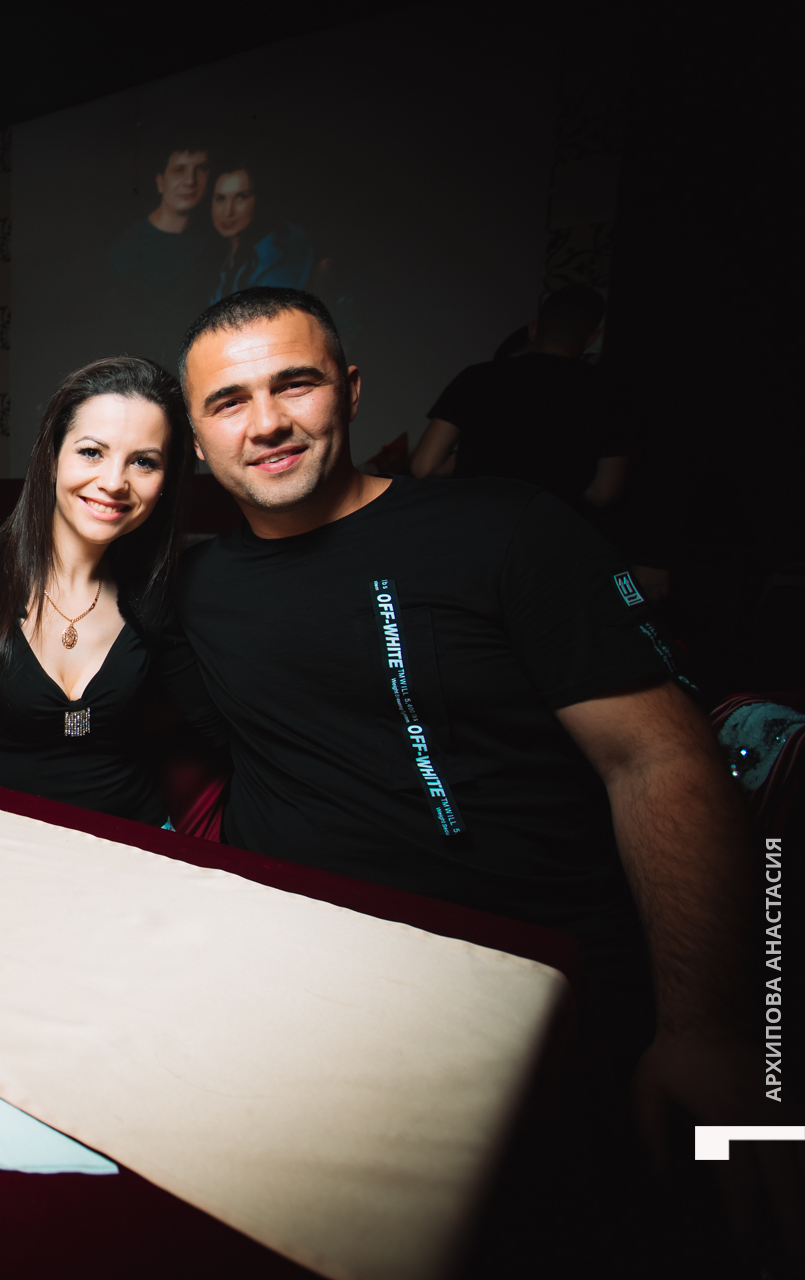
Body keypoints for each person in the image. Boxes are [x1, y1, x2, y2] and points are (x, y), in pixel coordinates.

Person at [162, 286, 794, 1263]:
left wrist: (710, 1028)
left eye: (296, 384)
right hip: (301, 994)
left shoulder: (506, 526)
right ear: (199, 442)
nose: (268, 421)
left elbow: (660, 756)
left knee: (712, 1216)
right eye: (229, 401)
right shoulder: (194, 588)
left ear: (352, 390)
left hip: (549, 994)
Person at [0, 357, 189, 824]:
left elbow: (229, 732)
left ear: (164, 482)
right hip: (11, 848)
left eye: (144, 462)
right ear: (51, 459)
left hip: (138, 845)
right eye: (92, 452)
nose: (113, 482)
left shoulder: (160, 592)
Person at [410, 284, 627, 512]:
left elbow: (425, 466)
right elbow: (604, 492)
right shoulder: (609, 392)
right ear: (592, 338)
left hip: (477, 517)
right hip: (554, 523)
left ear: (533, 329)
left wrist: (477, 453)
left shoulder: (478, 377)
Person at [108, 140, 214, 299]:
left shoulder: (214, 236)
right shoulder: (127, 251)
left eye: (201, 169)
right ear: (160, 181)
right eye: (179, 170)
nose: (190, 181)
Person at [208, 158, 313, 301]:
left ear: (260, 198)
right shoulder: (221, 256)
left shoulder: (277, 248)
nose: (228, 211)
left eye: (241, 197)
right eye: (220, 198)